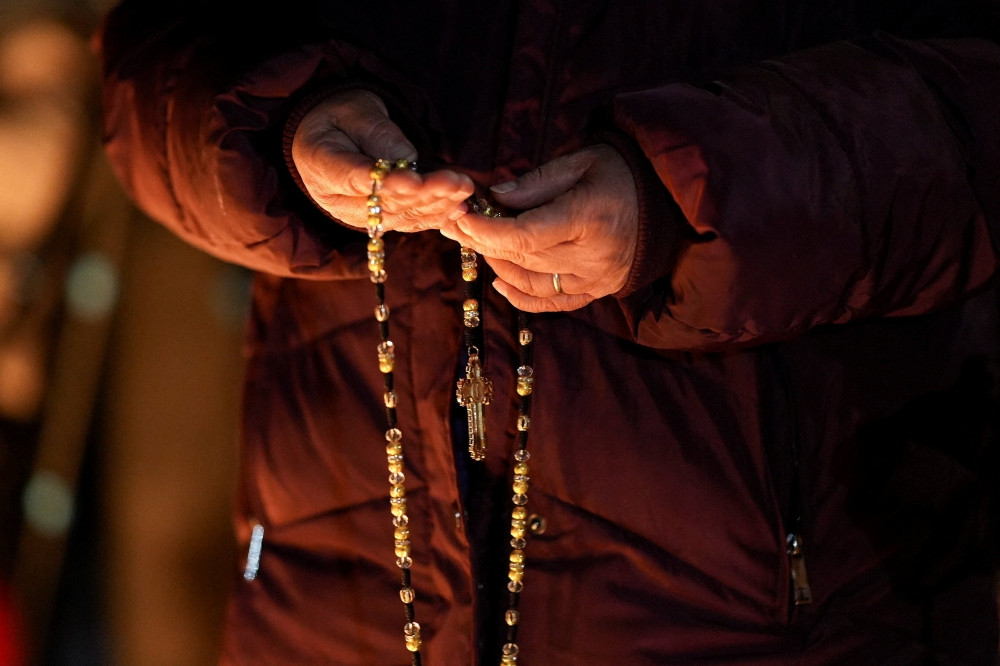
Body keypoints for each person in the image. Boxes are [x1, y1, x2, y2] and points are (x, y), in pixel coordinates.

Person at [96, 1, 1000, 663]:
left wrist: (700, 194)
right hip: (335, 596)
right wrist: (278, 129)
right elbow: (157, 63)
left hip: (774, 609)